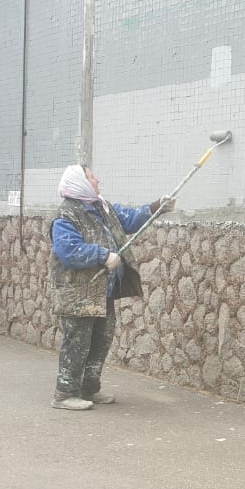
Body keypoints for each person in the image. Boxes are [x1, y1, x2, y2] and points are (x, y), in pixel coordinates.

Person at [49, 164, 174, 411]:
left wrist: (156, 207)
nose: (97, 180)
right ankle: (64, 393)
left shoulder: (101, 208)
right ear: (79, 183)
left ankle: (89, 388)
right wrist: (103, 255)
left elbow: (128, 219)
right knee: (77, 343)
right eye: (91, 177)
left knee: (101, 340)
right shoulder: (67, 215)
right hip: (79, 294)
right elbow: (68, 251)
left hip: (102, 292)